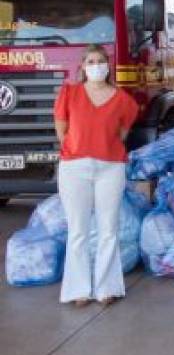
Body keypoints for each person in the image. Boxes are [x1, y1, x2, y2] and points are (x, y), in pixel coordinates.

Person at [53, 44, 139, 307]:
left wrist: (99, 147)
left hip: (110, 168)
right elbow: (61, 132)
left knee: (108, 229)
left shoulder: (123, 100)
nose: (96, 65)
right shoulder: (69, 93)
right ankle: (78, 290)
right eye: (91, 61)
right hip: (74, 168)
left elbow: (121, 135)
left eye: (100, 61)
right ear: (83, 67)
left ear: (108, 66)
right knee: (78, 231)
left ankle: (106, 287)